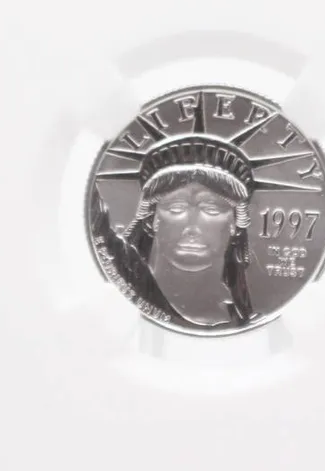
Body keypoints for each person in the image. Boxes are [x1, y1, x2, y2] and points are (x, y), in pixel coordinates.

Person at [90, 139, 256, 329]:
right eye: (176, 208)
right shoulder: (129, 283)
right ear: (153, 219)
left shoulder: (241, 316)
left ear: (235, 223)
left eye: (211, 209)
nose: (192, 228)